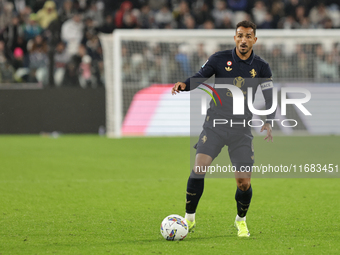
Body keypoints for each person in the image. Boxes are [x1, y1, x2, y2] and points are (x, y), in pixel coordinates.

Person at [171, 20, 275, 238]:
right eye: (240, 35)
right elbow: (200, 77)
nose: (243, 40)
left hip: (241, 130)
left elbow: (268, 96)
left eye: (248, 36)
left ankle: (241, 221)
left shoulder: (262, 67)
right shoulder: (219, 58)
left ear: (255, 40)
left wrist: (269, 120)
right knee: (199, 169)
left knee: (244, 183)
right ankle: (189, 219)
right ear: (234, 38)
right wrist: (185, 84)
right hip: (215, 125)